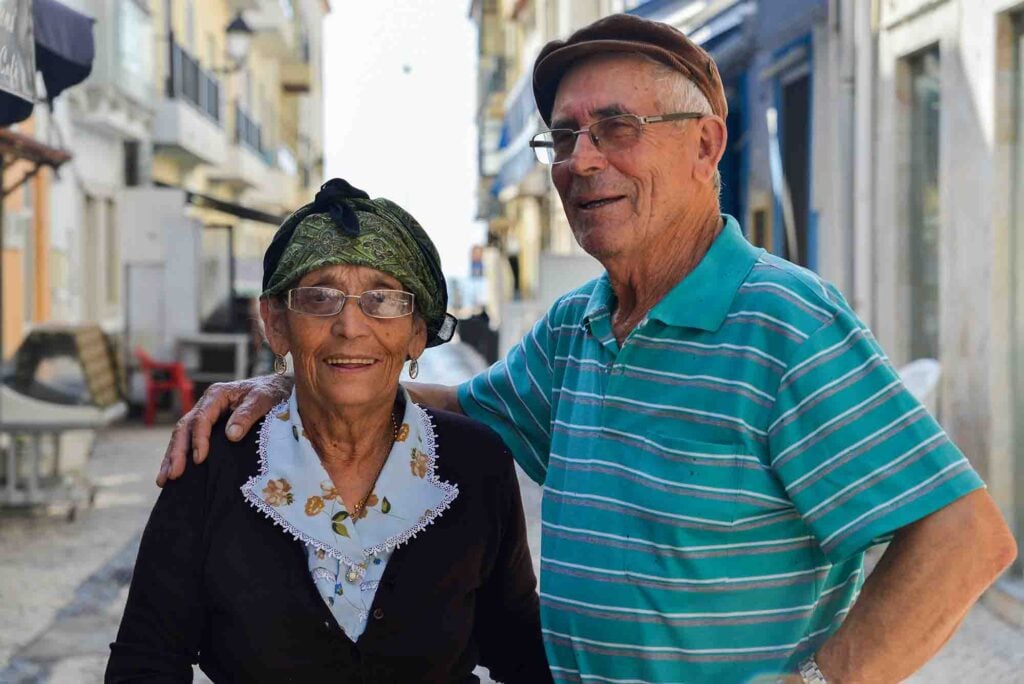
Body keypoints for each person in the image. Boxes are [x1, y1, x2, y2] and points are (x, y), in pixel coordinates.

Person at [157, 15, 1018, 684]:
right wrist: (293, 386)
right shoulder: (581, 326)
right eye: (564, 137)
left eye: (615, 128)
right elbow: (458, 408)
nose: (580, 160)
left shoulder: (780, 323)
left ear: (706, 145)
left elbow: (963, 538)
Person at [108, 180, 551, 682]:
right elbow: (146, 659)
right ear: (276, 324)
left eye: (383, 299)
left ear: (417, 333)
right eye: (320, 297)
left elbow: (517, 643)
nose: (351, 326)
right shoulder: (216, 461)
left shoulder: (474, 462)